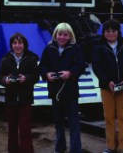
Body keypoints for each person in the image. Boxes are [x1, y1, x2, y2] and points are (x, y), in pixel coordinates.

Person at [92, 18, 123, 153]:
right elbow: (97, 66)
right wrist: (107, 82)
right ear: (104, 33)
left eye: (113, 31)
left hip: (122, 87)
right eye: (108, 31)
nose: (110, 34)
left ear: (118, 32)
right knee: (109, 117)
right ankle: (111, 146)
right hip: (107, 88)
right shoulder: (98, 47)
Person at [39, 22, 85, 153]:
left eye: (65, 34)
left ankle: (76, 150)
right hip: (55, 91)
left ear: (70, 36)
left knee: (74, 123)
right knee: (58, 122)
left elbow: (81, 65)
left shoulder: (76, 49)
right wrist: (46, 74)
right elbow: (42, 66)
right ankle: (59, 148)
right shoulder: (48, 49)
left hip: (71, 91)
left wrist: (70, 73)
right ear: (55, 35)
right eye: (60, 34)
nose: (62, 37)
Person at [0, 32, 39, 153]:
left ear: (24, 44)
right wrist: (6, 80)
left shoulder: (32, 58)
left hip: (25, 99)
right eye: (14, 43)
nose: (17, 45)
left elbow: (36, 77)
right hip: (10, 99)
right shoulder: (5, 59)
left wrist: (26, 78)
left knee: (25, 130)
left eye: (20, 43)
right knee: (12, 129)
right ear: (11, 45)